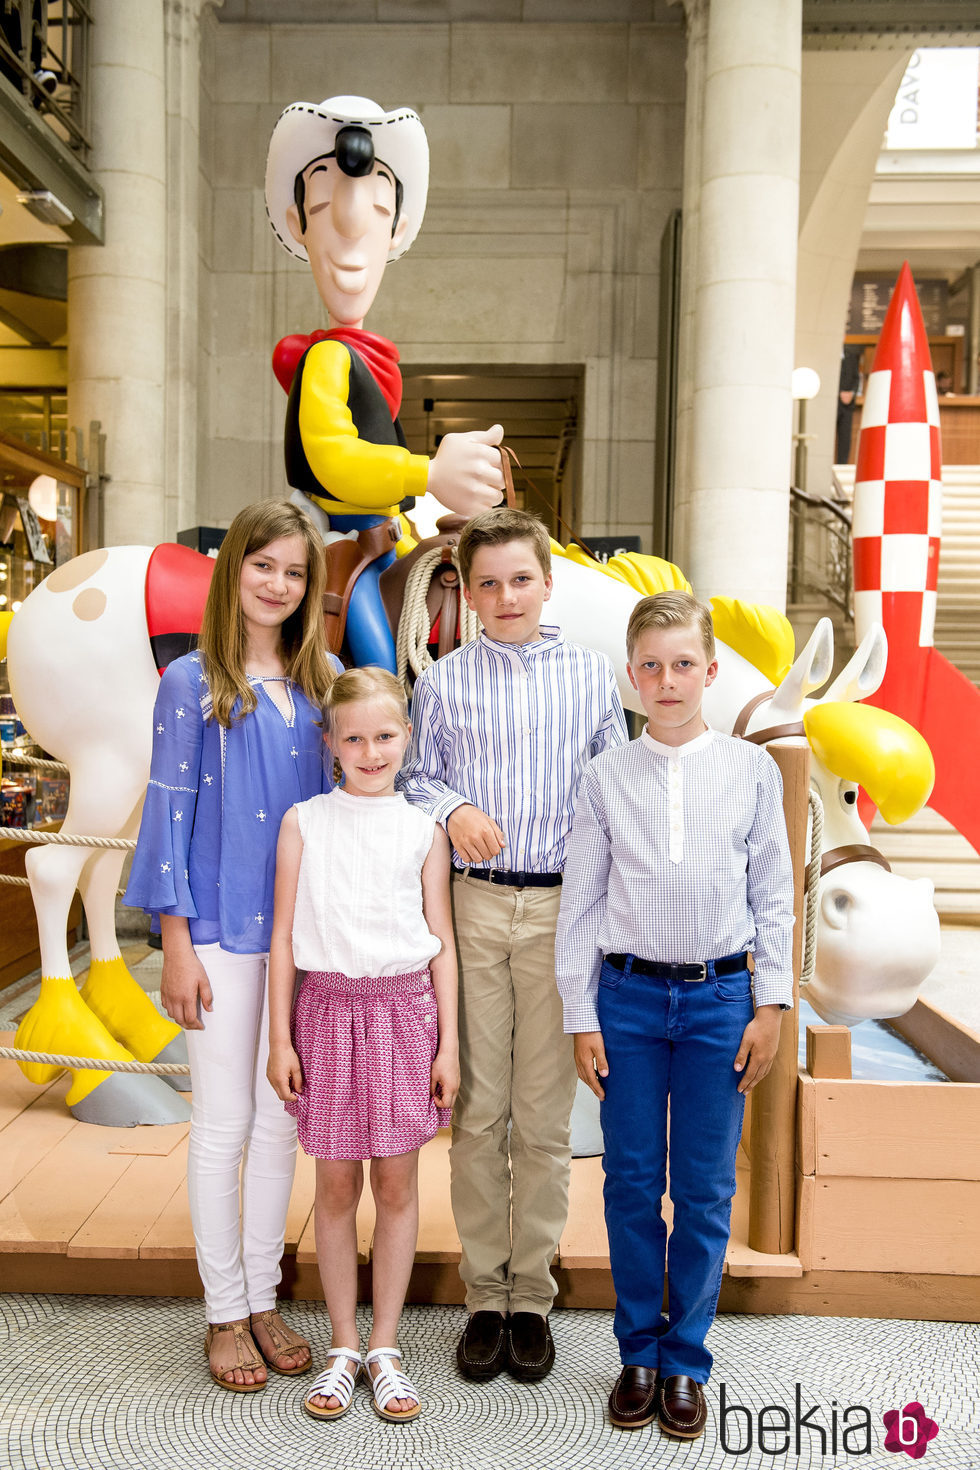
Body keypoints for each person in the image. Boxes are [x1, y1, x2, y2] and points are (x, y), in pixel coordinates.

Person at [555, 590, 795, 1439]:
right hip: (624, 1001)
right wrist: (582, 1015)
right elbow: (580, 906)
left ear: (710, 671)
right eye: (650, 666)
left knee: (700, 1190)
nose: (667, 680)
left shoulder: (751, 770)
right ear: (631, 676)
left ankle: (686, 1357)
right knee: (629, 1183)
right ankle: (637, 1351)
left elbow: (773, 896)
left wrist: (771, 1004)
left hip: (719, 1001)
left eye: (683, 664)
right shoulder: (604, 776)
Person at [398, 507, 628, 1384]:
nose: (504, 596)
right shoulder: (444, 682)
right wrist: (451, 808)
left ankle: (532, 1295)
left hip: (564, 912)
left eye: (519, 579)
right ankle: (481, 1296)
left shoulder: (593, 679)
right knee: (477, 1113)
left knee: (541, 1119)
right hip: (474, 910)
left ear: (547, 582)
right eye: (486, 582)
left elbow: (613, 789)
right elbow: (416, 775)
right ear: (465, 590)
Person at [125, 500, 338, 1392]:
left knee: (282, 1123)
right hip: (214, 936)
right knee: (221, 1127)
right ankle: (222, 1311)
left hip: (300, 942)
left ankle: (263, 1297)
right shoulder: (191, 685)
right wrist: (175, 941)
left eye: (294, 572)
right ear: (233, 571)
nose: (278, 585)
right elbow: (168, 817)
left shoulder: (322, 686)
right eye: (263, 566)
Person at [266, 667, 459, 1423]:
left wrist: (449, 1046)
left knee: (400, 1188)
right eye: (354, 738)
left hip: (405, 1018)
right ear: (331, 744)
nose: (370, 751)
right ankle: (344, 1342)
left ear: (407, 737)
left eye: (385, 736)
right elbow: (283, 941)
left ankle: (386, 1345)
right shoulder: (304, 821)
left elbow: (440, 942)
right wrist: (279, 1037)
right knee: (337, 1190)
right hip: (326, 1015)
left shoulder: (423, 827)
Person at [264, 94, 505, 670]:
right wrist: (428, 472)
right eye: (324, 206)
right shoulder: (327, 359)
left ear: (394, 231)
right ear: (299, 225)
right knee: (380, 662)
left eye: (376, 212)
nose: (351, 232)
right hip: (340, 540)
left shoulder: (366, 360)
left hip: (383, 532)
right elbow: (332, 458)